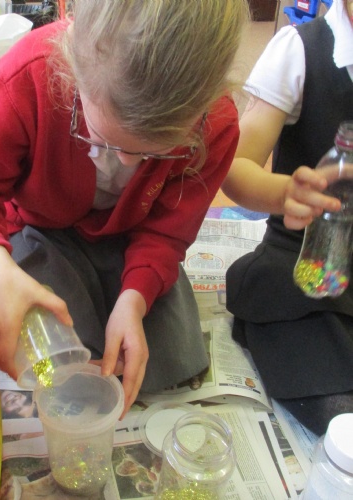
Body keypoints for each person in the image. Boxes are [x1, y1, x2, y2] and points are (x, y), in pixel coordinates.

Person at [0, 0, 248, 415]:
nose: (127, 163)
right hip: (38, 231)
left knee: (168, 355)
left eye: (154, 152)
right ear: (74, 68)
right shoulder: (29, 75)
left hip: (128, 241)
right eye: (103, 139)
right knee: (60, 352)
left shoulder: (217, 122)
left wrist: (134, 299)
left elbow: (166, 233)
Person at [221, 0, 353, 436]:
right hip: (302, 260)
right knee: (335, 405)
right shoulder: (300, 50)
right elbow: (236, 166)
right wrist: (284, 193)